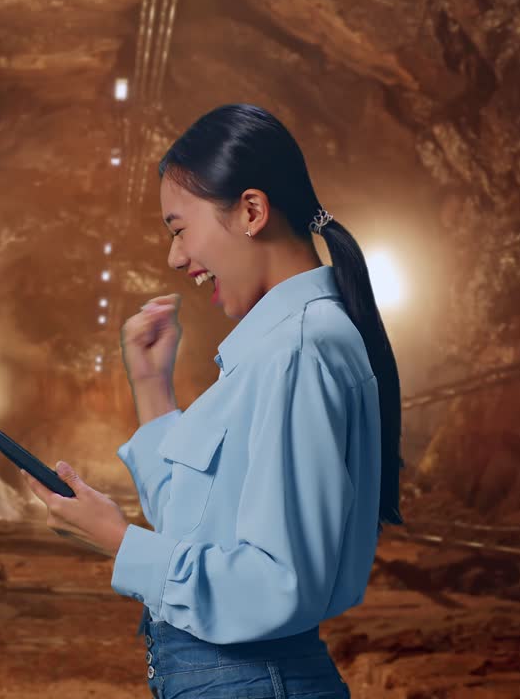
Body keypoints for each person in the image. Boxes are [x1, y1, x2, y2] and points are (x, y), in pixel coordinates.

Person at [22, 103, 402, 698]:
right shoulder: (275, 350)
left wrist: (120, 543)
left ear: (251, 210)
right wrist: (150, 386)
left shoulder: (297, 352)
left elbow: (279, 583)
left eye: (178, 228)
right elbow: (196, 533)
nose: (174, 257)